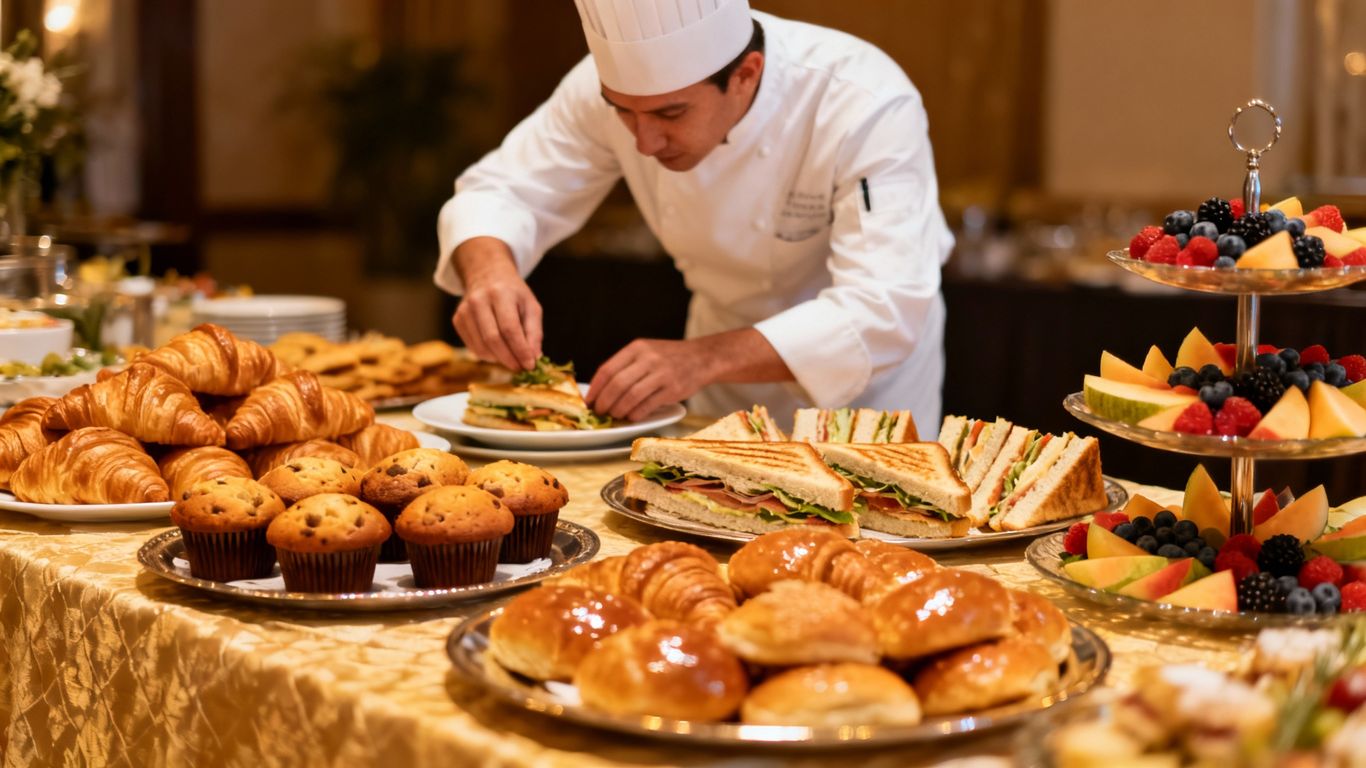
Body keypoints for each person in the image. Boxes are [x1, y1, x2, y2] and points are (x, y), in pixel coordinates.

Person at [434, 0, 953, 431]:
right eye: (622, 111)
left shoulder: (863, 100)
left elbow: (885, 307)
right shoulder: (605, 88)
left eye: (670, 113)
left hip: (866, 391)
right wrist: (489, 274)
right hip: (718, 378)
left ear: (746, 76)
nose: (643, 141)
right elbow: (502, 190)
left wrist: (702, 358)